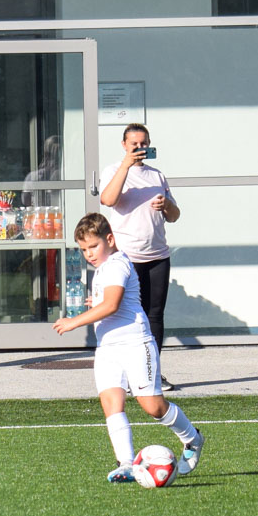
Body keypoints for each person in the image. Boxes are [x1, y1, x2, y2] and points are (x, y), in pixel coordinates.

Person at [54, 213, 203, 483]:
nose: (89, 254)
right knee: (111, 403)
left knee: (153, 407)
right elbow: (112, 300)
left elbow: (112, 305)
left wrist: (74, 322)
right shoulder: (103, 268)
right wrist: (96, 302)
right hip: (107, 347)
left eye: (94, 246)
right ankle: (126, 463)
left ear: (110, 240)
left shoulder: (117, 264)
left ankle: (192, 438)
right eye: (84, 249)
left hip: (135, 343)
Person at [99, 124, 179, 389]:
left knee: (155, 315)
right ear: (124, 144)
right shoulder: (113, 170)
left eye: (143, 143)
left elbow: (175, 216)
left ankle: (152, 373)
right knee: (130, 316)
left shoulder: (157, 175)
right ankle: (128, 374)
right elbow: (108, 200)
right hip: (128, 256)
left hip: (158, 255)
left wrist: (166, 205)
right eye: (134, 144)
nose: (139, 148)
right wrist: (126, 165)